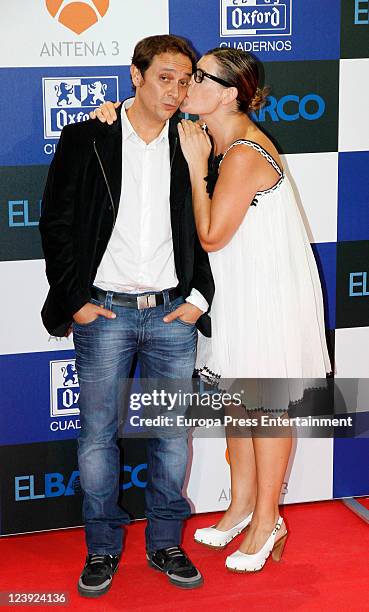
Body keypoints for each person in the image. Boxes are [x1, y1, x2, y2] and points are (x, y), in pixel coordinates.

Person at [94, 47, 331, 573]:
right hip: (235, 293)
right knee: (236, 406)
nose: (186, 85)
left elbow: (211, 235)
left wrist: (199, 166)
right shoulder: (210, 135)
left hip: (264, 295)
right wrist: (108, 109)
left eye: (199, 78)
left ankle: (268, 520)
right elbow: (138, 112)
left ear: (228, 94)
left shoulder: (242, 151)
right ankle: (242, 506)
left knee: (265, 409)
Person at [39, 34, 214, 597]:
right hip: (104, 314)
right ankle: (102, 549)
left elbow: (208, 230)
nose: (177, 89)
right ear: (135, 76)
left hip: (170, 316)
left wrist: (197, 300)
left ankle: (165, 543)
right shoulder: (89, 136)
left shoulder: (192, 143)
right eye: (165, 76)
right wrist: (74, 301)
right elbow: (57, 223)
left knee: (171, 439)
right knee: (96, 441)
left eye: (185, 80)